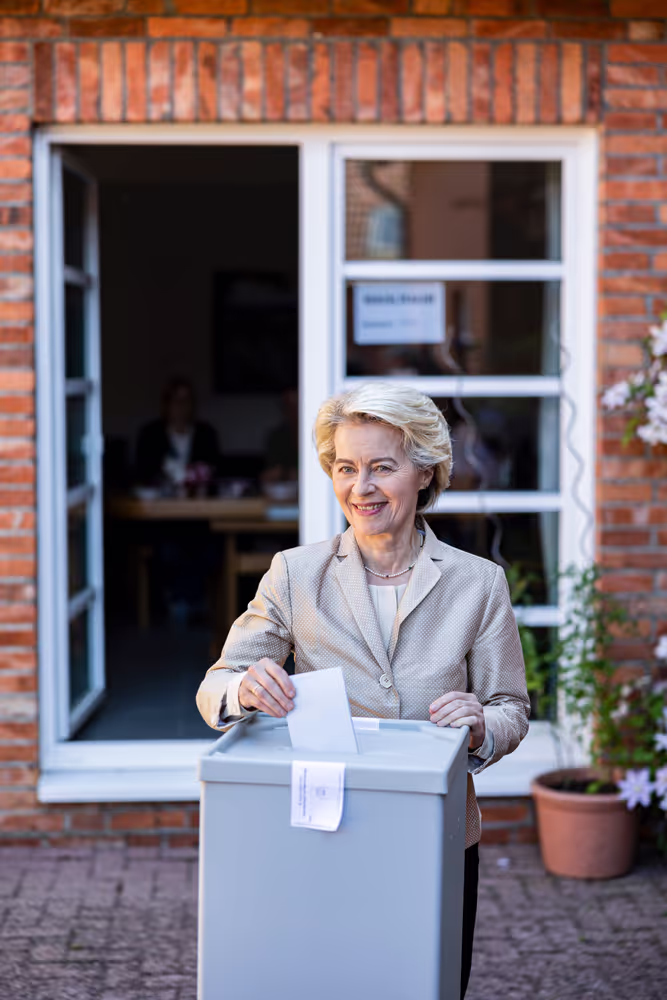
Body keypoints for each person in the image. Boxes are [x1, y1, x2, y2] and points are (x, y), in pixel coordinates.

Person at [196, 382, 529, 998]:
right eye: (346, 468)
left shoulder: (478, 584)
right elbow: (215, 686)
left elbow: (512, 708)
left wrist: (482, 722)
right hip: (321, 828)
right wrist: (246, 687)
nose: (362, 487)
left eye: (383, 467)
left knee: (429, 982)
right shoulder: (295, 573)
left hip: (438, 831)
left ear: (425, 473)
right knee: (326, 978)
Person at [135, 377, 219, 491]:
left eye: (186, 400)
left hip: (199, 502)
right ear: (166, 404)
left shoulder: (206, 434)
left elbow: (214, 470)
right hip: (160, 503)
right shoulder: (150, 434)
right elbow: (143, 472)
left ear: (193, 404)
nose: (181, 406)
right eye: (176, 400)